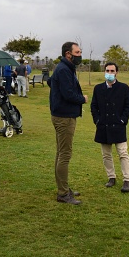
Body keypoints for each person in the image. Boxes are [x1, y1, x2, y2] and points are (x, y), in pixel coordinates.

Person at [48, 42, 88, 205]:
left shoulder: (64, 68)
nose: (80, 55)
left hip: (61, 115)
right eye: (77, 52)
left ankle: (63, 188)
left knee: (61, 153)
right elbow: (68, 94)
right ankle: (63, 193)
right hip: (64, 117)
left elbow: (51, 82)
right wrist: (82, 99)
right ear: (68, 54)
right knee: (65, 154)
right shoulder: (64, 69)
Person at [91, 62, 129, 193]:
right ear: (104, 72)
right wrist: (97, 120)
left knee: (123, 153)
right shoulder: (98, 88)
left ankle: (127, 180)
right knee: (106, 155)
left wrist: (123, 120)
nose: (109, 73)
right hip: (103, 126)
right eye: (107, 71)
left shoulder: (123, 88)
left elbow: (128, 105)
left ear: (117, 72)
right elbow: (93, 106)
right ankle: (111, 177)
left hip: (118, 125)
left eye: (112, 71)